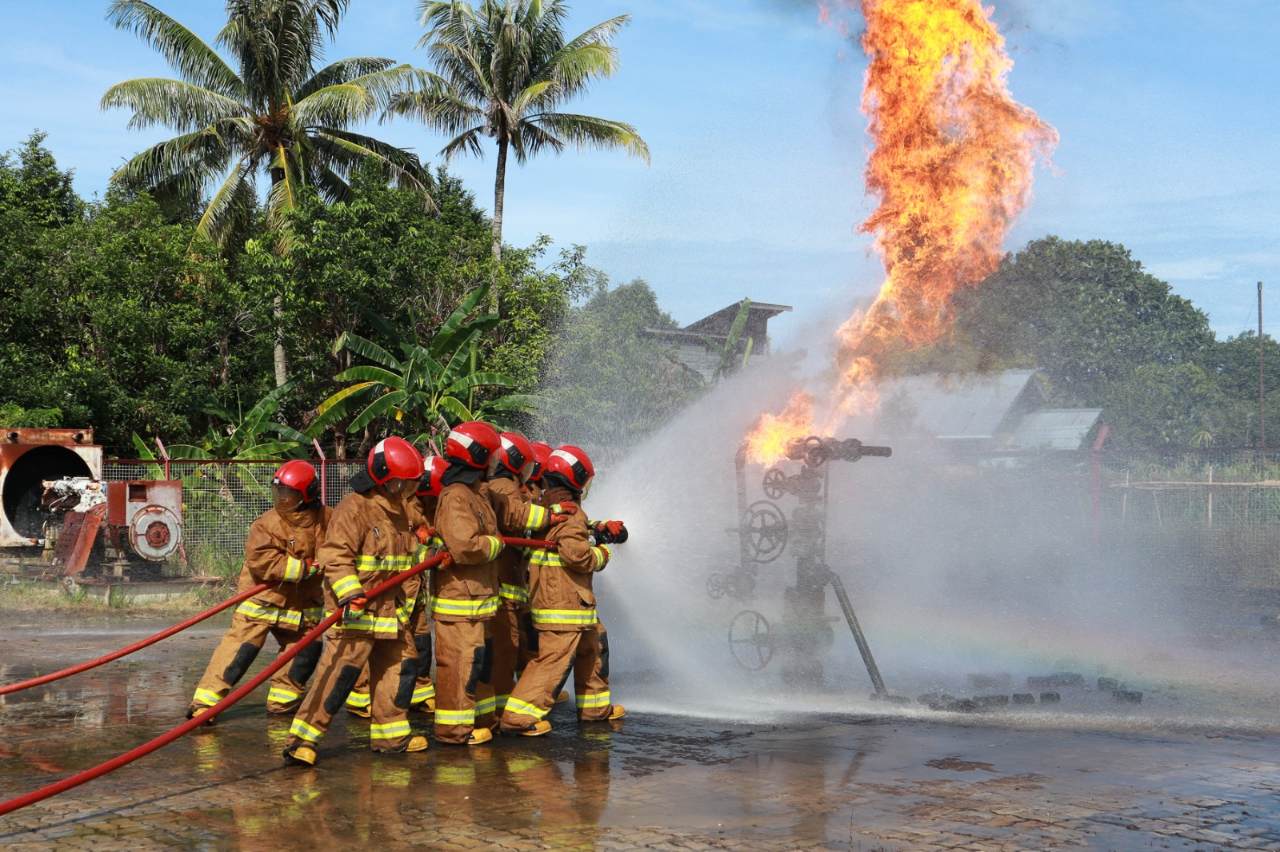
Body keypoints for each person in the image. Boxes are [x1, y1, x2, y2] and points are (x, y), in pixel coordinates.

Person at [283, 437, 427, 766]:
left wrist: (429, 546)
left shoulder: (400, 511)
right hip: (357, 612)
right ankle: (302, 740)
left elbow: (402, 559)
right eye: (402, 483)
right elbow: (335, 555)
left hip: (392, 612)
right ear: (384, 479)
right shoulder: (355, 507)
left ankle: (392, 736)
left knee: (400, 670)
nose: (406, 489)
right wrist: (350, 592)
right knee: (340, 675)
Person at [187, 460, 330, 719]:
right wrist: (302, 568)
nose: (282, 500)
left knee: (305, 652)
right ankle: (205, 705)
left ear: (308, 494)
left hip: (302, 608)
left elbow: (345, 543)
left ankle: (282, 703)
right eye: (279, 494)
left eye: (289, 495)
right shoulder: (266, 524)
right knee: (239, 654)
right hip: (263, 603)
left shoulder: (327, 520)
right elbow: (263, 562)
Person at [499, 445, 625, 736]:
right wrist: (603, 553)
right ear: (575, 480)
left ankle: (595, 709)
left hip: (571, 600)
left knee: (593, 645)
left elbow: (572, 532)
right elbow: (578, 555)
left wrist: (599, 527)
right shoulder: (569, 514)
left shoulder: (550, 506)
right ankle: (518, 719)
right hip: (563, 601)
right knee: (553, 659)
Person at [344, 454, 447, 719]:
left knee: (419, 643)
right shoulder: (395, 508)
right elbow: (403, 551)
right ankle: (361, 695)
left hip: (413, 588)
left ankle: (419, 692)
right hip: (391, 588)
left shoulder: (416, 509)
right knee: (374, 645)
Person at [484, 431, 577, 722]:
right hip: (503, 585)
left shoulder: (506, 485)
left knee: (515, 645)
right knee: (504, 649)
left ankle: (507, 702)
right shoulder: (504, 486)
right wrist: (551, 516)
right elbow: (516, 518)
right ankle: (502, 710)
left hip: (511, 584)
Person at [431, 421, 505, 745]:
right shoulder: (456, 497)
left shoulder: (475, 493)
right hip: (460, 599)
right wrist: (496, 544)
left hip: (477, 599)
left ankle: (482, 719)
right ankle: (454, 732)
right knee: (460, 666)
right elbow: (465, 546)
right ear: (476, 456)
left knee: (477, 665)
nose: (495, 462)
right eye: (490, 456)